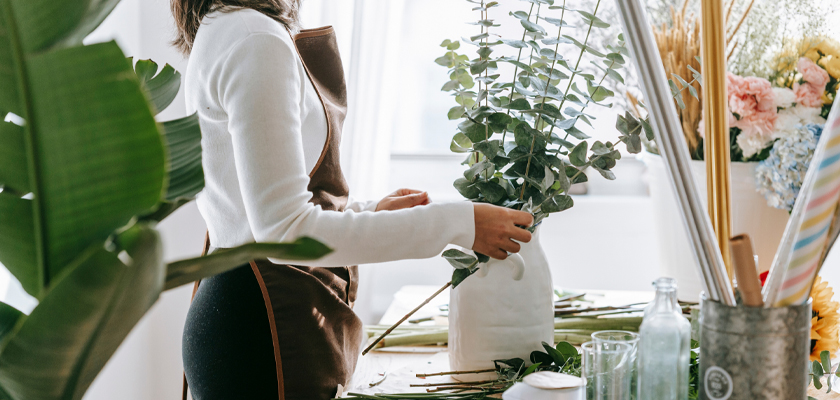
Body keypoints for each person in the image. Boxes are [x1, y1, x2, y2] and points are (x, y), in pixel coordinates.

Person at [172, 1, 534, 399]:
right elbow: (285, 232)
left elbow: (251, 211)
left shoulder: (227, 25)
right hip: (264, 328)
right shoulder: (255, 38)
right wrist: (460, 224)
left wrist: (368, 211)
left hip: (240, 314)